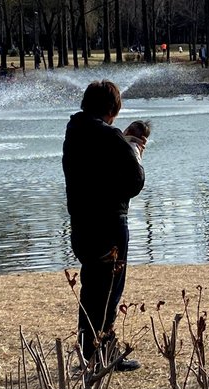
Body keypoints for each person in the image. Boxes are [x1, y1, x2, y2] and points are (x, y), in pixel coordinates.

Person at [62, 80, 146, 372]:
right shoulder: (110, 136)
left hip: (82, 223)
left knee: (91, 288)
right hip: (109, 223)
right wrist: (133, 150)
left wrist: (120, 143)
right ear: (111, 109)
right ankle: (105, 352)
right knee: (110, 288)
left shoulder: (73, 132)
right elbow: (135, 182)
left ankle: (88, 352)